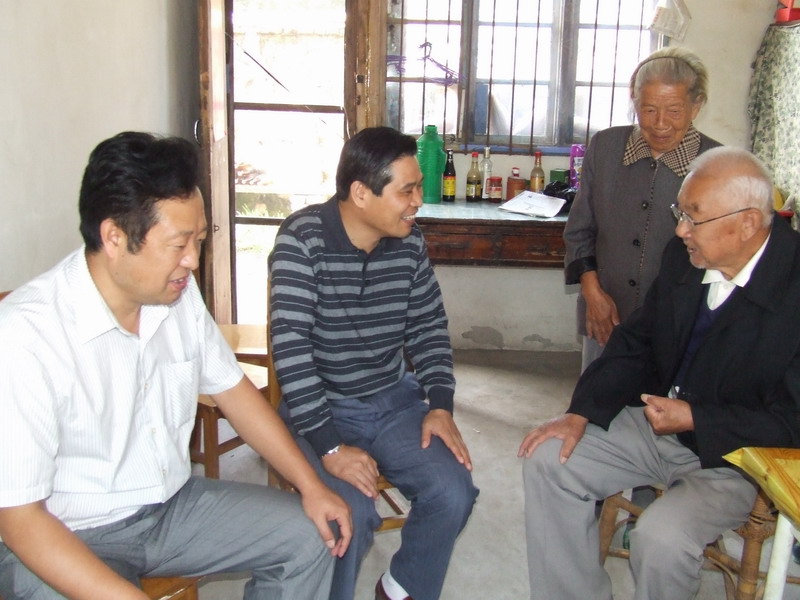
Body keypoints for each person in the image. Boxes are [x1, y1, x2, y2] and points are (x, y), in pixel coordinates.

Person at [0, 131, 352, 600]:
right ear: (114, 237)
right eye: (179, 244)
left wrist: (310, 485)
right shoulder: (25, 335)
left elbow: (234, 392)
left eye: (200, 240)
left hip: (169, 508)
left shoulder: (176, 296)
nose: (193, 261)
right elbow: (19, 518)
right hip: (64, 533)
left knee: (311, 535)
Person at [519, 146, 800, 600]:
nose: (680, 229)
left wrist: (696, 418)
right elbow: (638, 340)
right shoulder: (684, 258)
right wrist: (581, 411)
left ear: (748, 223)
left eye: (694, 217)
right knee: (549, 459)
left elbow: (792, 422)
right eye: (679, 212)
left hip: (738, 458)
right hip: (658, 424)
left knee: (660, 538)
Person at [269, 126, 479, 600]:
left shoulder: (409, 241)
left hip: (392, 400)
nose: (417, 202)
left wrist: (440, 405)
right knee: (349, 515)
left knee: (453, 492)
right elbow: (292, 351)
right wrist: (330, 447)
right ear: (361, 193)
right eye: (407, 190)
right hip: (319, 408)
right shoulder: (302, 240)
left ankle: (401, 589)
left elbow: (428, 326)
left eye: (418, 188)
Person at [564, 46, 720, 369]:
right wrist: (592, 293)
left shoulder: (716, 163)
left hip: (679, 325)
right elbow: (579, 231)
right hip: (607, 315)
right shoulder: (605, 147)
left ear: (696, 106)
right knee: (598, 395)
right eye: (648, 109)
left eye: (674, 111)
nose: (660, 123)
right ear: (634, 102)